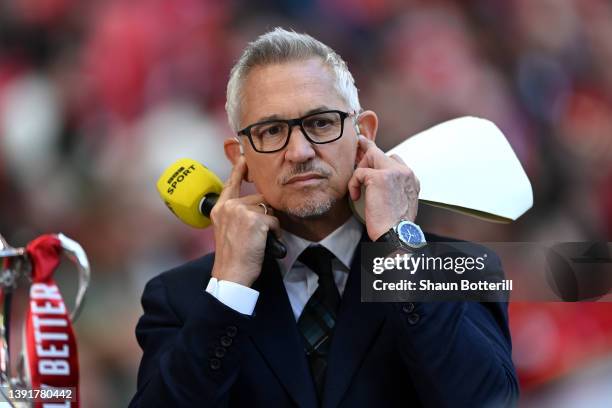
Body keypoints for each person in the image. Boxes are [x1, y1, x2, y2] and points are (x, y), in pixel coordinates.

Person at [130, 28, 519, 407]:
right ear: (239, 157)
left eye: (320, 123)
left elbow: (486, 399)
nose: (299, 151)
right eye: (271, 130)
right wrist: (229, 290)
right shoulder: (180, 297)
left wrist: (397, 249)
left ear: (363, 132)